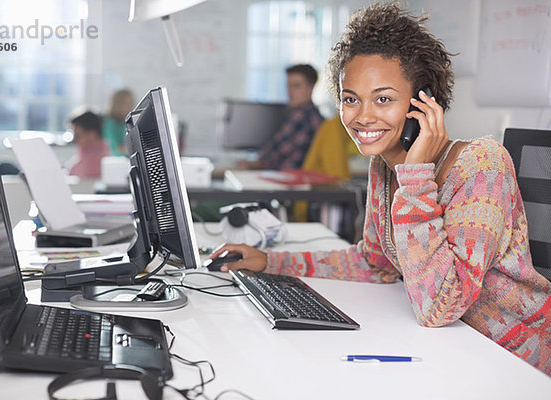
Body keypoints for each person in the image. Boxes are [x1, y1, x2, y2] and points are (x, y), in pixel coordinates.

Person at [211, 3, 551, 375]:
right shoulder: (383, 167)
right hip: (446, 349)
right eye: (350, 98)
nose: (362, 116)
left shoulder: (482, 164)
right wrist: (272, 263)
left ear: (422, 103)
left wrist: (416, 177)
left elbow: (440, 306)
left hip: (511, 360)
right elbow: (375, 265)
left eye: (383, 99)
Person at [240, 64, 324, 170]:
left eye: (296, 86)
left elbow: (275, 152)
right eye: (288, 85)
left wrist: (252, 164)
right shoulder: (317, 116)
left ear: (310, 88)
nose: (290, 91)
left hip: (288, 179)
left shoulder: (301, 116)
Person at [66, 110, 110, 179]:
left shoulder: (94, 162)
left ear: (92, 135)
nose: (75, 141)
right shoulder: (85, 154)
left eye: (78, 136)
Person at [103, 89, 135, 156]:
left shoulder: (127, 121)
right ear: (118, 104)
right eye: (127, 103)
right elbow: (118, 148)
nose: (130, 106)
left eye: (131, 103)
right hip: (118, 161)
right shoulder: (110, 124)